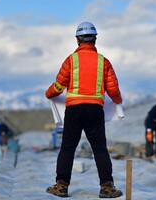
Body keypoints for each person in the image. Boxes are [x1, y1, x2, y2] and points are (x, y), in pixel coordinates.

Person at [45, 21, 123, 198]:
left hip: (74, 111)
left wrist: (49, 93)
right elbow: (113, 89)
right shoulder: (104, 61)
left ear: (77, 40)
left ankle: (62, 186)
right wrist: (118, 101)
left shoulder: (71, 60)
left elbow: (58, 86)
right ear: (95, 39)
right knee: (100, 149)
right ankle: (106, 188)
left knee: (67, 148)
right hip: (95, 111)